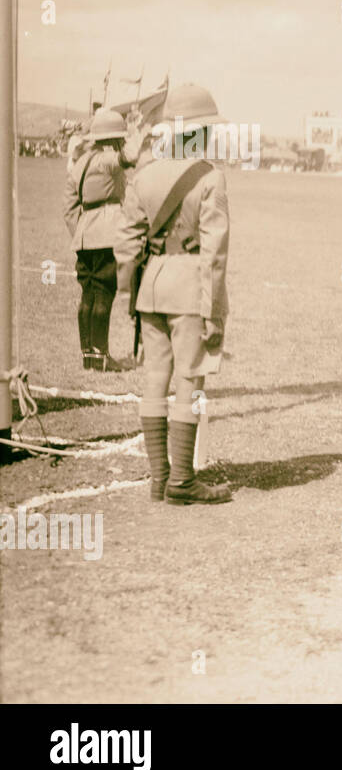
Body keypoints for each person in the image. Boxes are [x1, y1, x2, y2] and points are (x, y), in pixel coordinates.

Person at [115, 84, 232, 505]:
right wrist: (213, 311)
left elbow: (126, 246)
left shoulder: (143, 175)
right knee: (188, 379)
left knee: (154, 378)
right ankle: (182, 481)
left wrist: (130, 296)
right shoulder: (211, 177)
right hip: (189, 287)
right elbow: (214, 254)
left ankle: (158, 478)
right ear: (200, 133)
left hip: (152, 287)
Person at [64, 108, 133, 371]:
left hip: (84, 238)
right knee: (104, 292)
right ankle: (101, 356)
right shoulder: (107, 159)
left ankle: (88, 355)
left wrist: (81, 232)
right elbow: (128, 158)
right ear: (114, 138)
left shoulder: (80, 163)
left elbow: (68, 208)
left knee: (88, 294)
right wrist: (142, 132)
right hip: (107, 235)